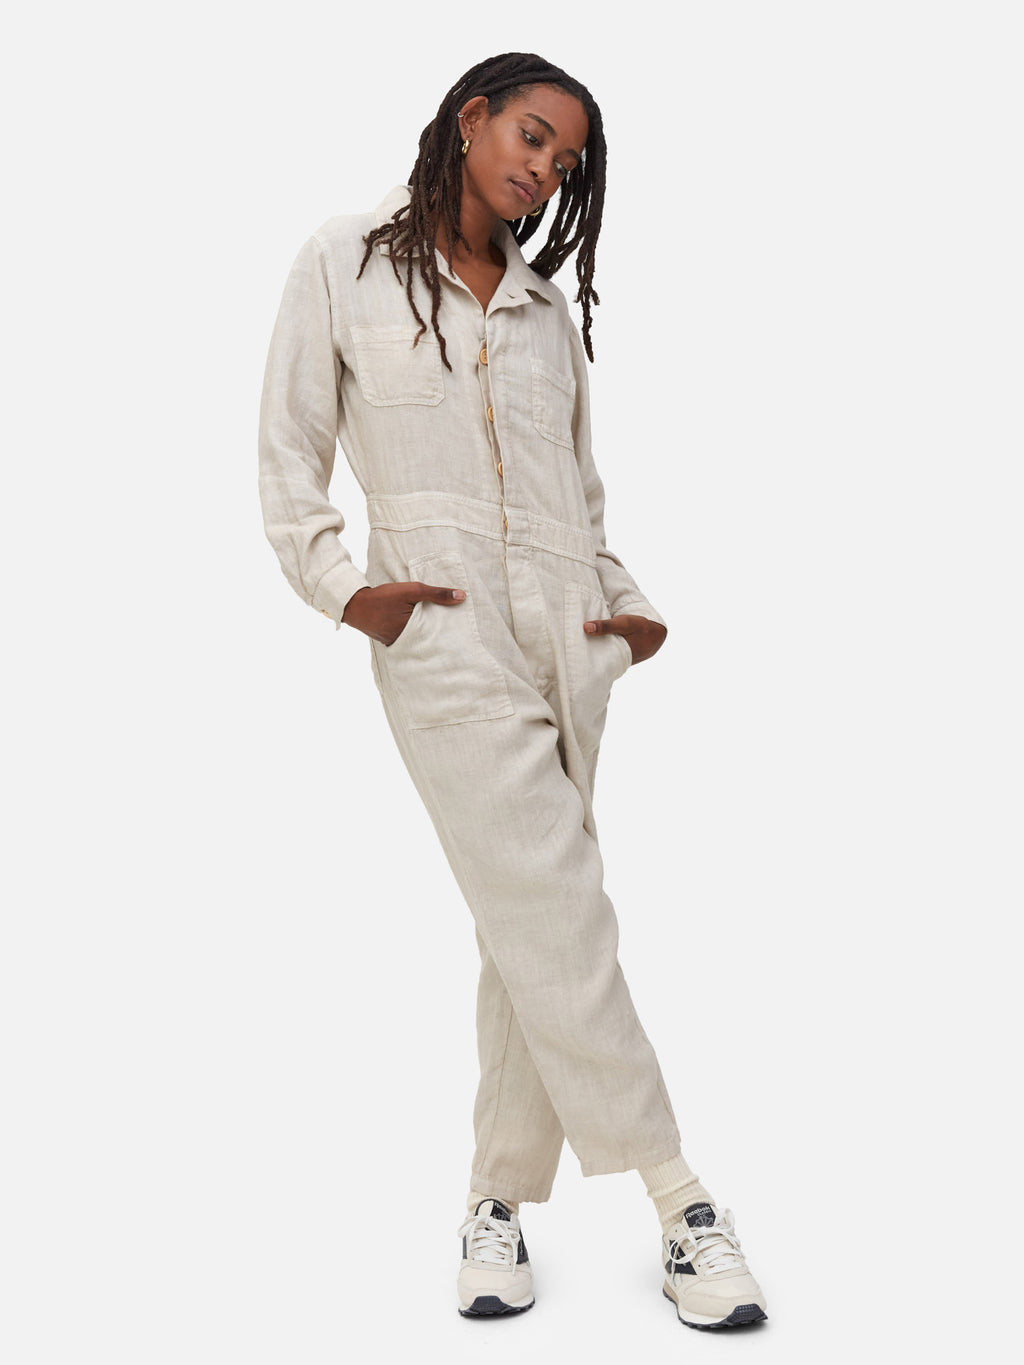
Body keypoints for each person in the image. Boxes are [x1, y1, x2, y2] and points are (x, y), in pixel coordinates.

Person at [257, 51, 767, 1330]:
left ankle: (494, 1203)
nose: (546, 168)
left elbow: (576, 495)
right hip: (444, 638)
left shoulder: (544, 314)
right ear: (471, 118)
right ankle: (680, 1200)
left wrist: (625, 610)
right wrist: (347, 590)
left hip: (570, 640)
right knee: (563, 911)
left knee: (523, 925)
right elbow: (287, 454)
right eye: (534, 136)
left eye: (567, 159)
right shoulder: (342, 260)